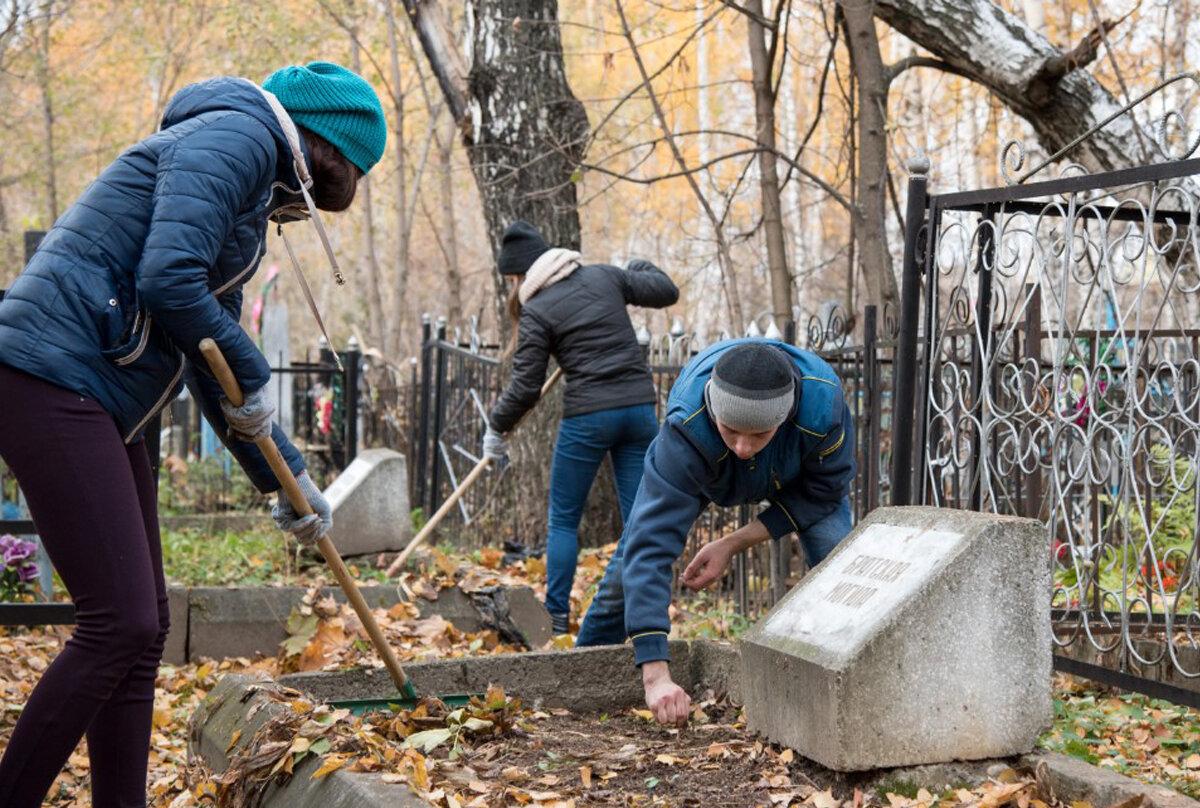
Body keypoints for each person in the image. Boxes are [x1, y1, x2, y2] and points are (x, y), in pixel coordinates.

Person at [0, 62, 387, 807]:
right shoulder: (236, 137)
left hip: (102, 392)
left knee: (144, 629)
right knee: (120, 620)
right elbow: (168, 279)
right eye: (344, 176)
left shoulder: (246, 182)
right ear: (327, 149)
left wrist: (288, 479)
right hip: (51, 375)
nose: (317, 207)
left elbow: (214, 366)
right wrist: (252, 366)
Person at [575, 339, 855, 725]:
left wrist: (733, 542)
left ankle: (846, 693)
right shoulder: (687, 428)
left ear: (785, 417)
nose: (743, 448)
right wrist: (656, 676)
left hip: (793, 474)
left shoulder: (821, 410)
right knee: (628, 568)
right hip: (708, 469)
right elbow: (651, 545)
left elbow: (825, 493)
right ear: (712, 408)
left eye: (758, 435)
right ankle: (575, 681)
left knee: (840, 565)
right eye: (731, 430)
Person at [482, 221, 679, 635]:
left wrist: (496, 428)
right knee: (640, 519)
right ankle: (644, 615)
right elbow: (665, 289)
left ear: (519, 275)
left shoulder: (537, 309)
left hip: (588, 417)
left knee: (564, 521)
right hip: (638, 409)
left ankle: (555, 619)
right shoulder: (605, 276)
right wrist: (638, 266)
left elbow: (526, 387)